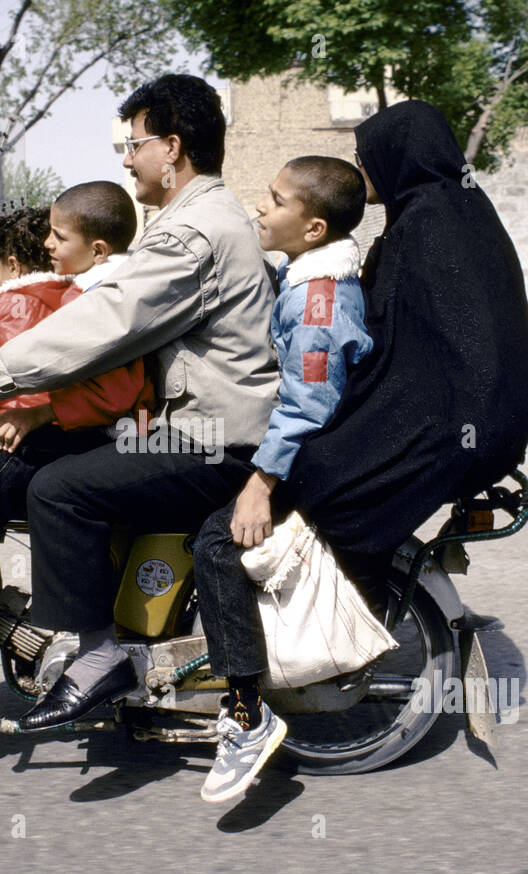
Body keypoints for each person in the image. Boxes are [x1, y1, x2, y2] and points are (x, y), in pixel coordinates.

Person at [0, 74, 279, 732]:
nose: (125, 158)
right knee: (37, 450)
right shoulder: (195, 220)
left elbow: (110, 321)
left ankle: (100, 654)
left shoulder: (192, 234)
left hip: (212, 441)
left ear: (171, 147)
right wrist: (17, 389)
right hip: (191, 427)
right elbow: (112, 332)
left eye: (133, 143)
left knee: (59, 490)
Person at [286, 100, 528, 622]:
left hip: (456, 418)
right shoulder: (463, 209)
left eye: (365, 159)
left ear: (395, 158)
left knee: (315, 472)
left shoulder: (424, 225)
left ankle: (353, 624)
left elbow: (382, 332)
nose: (361, 172)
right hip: (494, 412)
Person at [191, 156, 373, 803]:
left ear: (315, 225)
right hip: (306, 447)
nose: (261, 208)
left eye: (274, 201)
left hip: (310, 460)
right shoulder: (304, 273)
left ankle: (245, 712)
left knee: (216, 544)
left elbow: (309, 402)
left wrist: (260, 484)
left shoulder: (320, 301)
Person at [0, 199, 154, 583]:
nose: (48, 245)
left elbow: (27, 364)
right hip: (99, 421)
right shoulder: (81, 292)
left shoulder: (97, 299)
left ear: (98, 250)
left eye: (59, 236)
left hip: (116, 430)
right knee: (5, 439)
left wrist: (31, 412)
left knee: (11, 447)